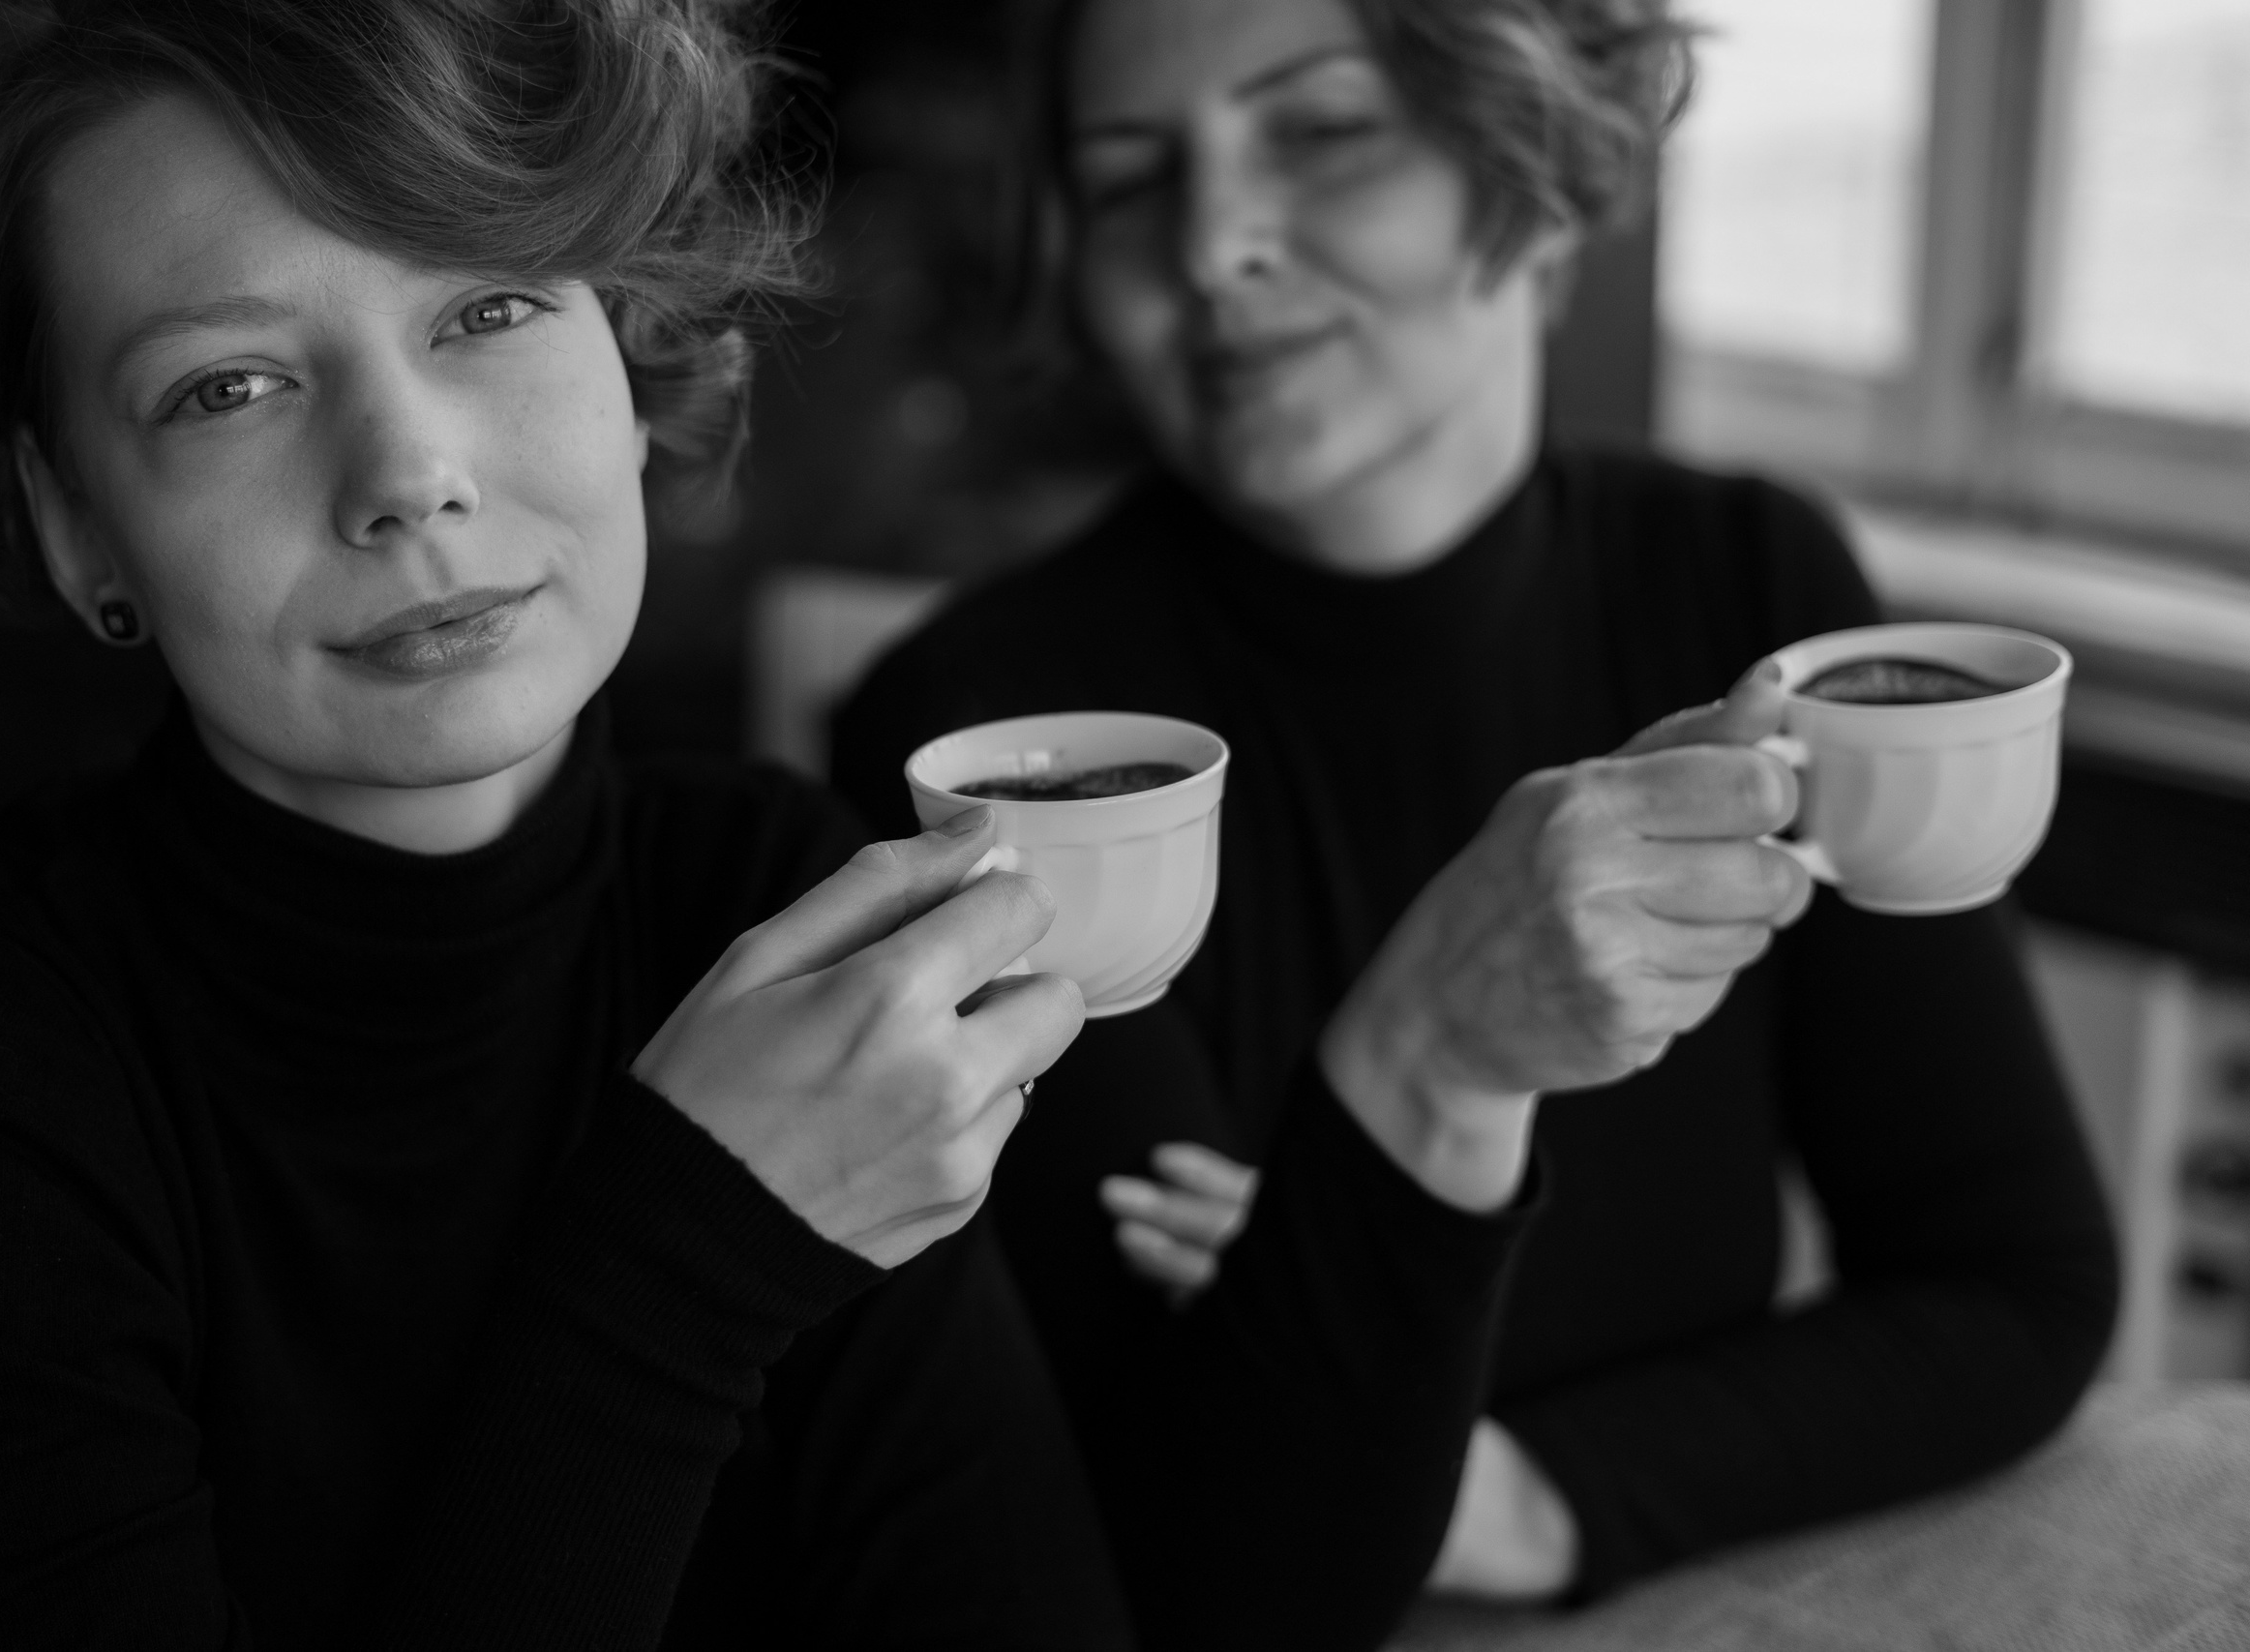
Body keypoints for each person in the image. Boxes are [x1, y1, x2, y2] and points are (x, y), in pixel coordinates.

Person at [0, 2, 1179, 1646]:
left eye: (492, 305)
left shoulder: (778, 897)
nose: (408, 473)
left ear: (637, 353)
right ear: (78, 524)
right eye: (226, 386)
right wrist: (694, 1254)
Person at [832, 0, 2120, 1627]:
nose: (1214, 243)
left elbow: (2015, 1293)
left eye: (1322, 131)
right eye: (1127, 178)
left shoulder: (1754, 595)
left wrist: (1517, 1485)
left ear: (1535, 148)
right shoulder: (987, 744)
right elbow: (1194, 1529)